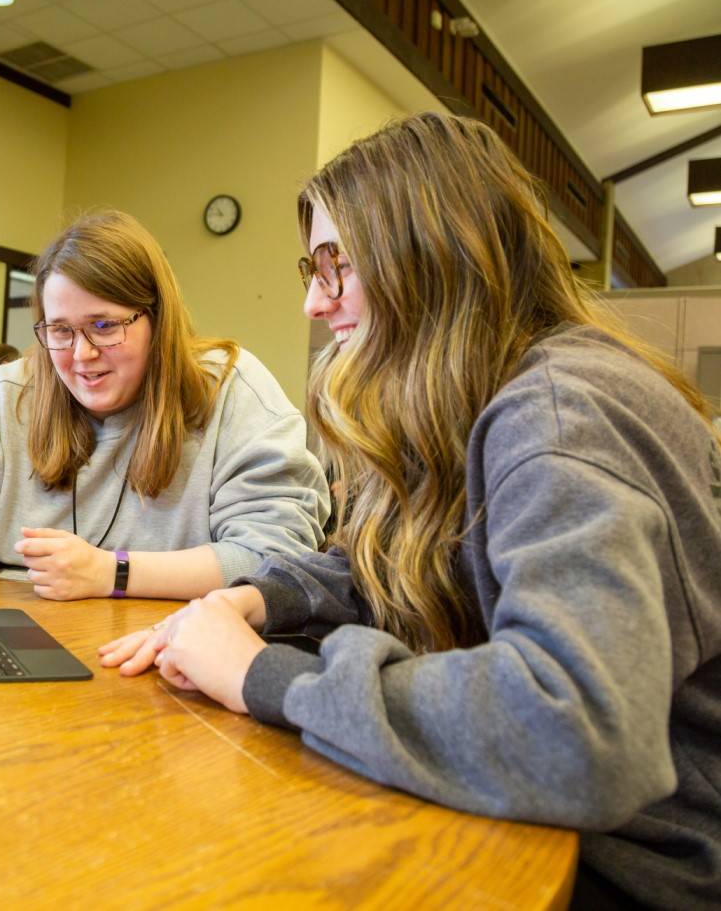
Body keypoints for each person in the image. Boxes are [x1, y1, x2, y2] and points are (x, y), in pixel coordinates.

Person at [99, 114, 721, 908]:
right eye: (311, 268)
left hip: (645, 869)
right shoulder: (489, 396)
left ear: (430, 257)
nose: (312, 304)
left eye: (337, 267)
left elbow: (579, 731)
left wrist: (261, 673)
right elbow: (410, 556)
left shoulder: (563, 414)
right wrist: (259, 599)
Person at [0, 210, 330, 601]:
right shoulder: (7, 397)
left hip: (171, 664)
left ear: (158, 319)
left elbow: (277, 558)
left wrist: (110, 572)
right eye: (61, 330)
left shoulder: (231, 392)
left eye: (105, 325)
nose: (81, 355)